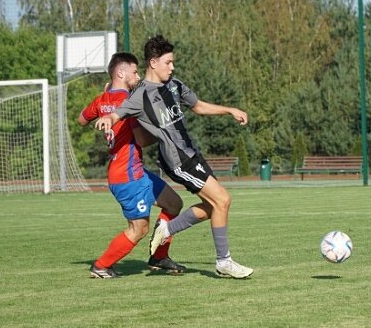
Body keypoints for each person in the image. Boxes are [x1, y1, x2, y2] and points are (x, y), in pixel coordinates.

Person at [94, 35, 253, 279]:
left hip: (192, 153)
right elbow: (118, 114)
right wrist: (108, 118)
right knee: (223, 200)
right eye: (168, 62)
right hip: (177, 160)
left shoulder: (175, 85)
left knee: (214, 207)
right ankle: (224, 261)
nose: (172, 67)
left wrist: (229, 110)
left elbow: (198, 106)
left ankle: (168, 229)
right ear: (154, 62)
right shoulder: (140, 95)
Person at [78, 52, 186, 278]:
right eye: (135, 72)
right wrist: (163, 131)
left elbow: (81, 119)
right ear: (120, 73)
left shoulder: (102, 100)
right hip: (127, 177)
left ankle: (159, 256)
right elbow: (143, 140)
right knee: (139, 229)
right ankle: (101, 266)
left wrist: (104, 105)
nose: (138, 77)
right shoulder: (128, 105)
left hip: (135, 172)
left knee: (174, 204)